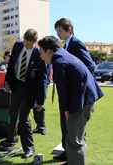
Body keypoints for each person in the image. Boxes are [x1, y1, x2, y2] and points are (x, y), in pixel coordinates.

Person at [38, 36, 104, 165]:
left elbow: (62, 90)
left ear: (49, 51)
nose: (40, 56)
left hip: (82, 101)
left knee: (74, 140)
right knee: (76, 137)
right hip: (85, 98)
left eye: (41, 51)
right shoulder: (62, 54)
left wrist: (66, 112)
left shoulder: (58, 60)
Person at [0, 29, 48, 158]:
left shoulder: (39, 54)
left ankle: (29, 148)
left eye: (28, 44)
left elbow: (43, 79)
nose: (25, 46)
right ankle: (11, 139)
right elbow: (12, 64)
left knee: (24, 118)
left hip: (30, 90)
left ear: (35, 42)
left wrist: (40, 101)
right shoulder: (18, 45)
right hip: (16, 85)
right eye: (24, 42)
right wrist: (7, 81)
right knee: (12, 113)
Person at [53, 17, 96, 162]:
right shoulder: (67, 45)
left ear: (69, 30)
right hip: (70, 94)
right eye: (56, 31)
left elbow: (89, 66)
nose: (58, 33)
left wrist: (78, 84)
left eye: (60, 30)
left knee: (74, 129)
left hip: (77, 94)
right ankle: (68, 155)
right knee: (66, 126)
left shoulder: (76, 43)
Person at [32, 64, 52, 135]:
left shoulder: (46, 60)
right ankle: (38, 126)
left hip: (43, 83)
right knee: (34, 105)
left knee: (40, 104)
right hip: (35, 83)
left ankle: (42, 127)